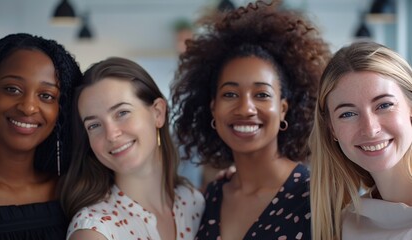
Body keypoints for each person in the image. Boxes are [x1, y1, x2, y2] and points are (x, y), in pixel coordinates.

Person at [170, 1, 331, 239]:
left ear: (283, 108)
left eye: (262, 95)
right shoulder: (212, 196)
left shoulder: (315, 196)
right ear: (213, 108)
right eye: (230, 94)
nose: (246, 108)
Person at [61, 57, 205, 240]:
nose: (111, 134)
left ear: (158, 113)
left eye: (122, 113)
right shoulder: (94, 230)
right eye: (94, 125)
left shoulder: (193, 202)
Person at [0, 33, 82, 239]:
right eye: (13, 89)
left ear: (60, 111)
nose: (28, 107)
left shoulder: (73, 194)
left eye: (46, 96)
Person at [310, 40, 412, 240]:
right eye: (348, 114)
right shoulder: (347, 224)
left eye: (384, 105)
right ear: (332, 129)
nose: (370, 129)